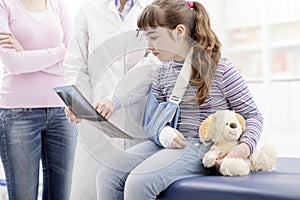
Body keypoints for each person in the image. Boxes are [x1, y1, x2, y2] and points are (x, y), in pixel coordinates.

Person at [93, 0, 264, 199]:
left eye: (154, 38)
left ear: (179, 32)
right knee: (107, 175)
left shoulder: (221, 70)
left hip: (204, 146)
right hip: (169, 143)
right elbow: (153, 121)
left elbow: (253, 115)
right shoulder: (162, 72)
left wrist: (243, 148)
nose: (149, 47)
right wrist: (163, 133)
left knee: (139, 182)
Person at [63, 0, 155, 199]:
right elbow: (75, 62)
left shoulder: (153, 8)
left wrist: (115, 97)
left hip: (137, 118)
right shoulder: (89, 10)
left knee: (132, 189)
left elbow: (153, 63)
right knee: (88, 190)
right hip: (95, 121)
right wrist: (78, 103)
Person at [0, 0, 76, 200]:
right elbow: (13, 63)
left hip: (62, 109)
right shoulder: (4, 5)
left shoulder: (57, 4)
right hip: (17, 113)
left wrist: (26, 55)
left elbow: (73, 58)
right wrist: (60, 52)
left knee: (60, 196)